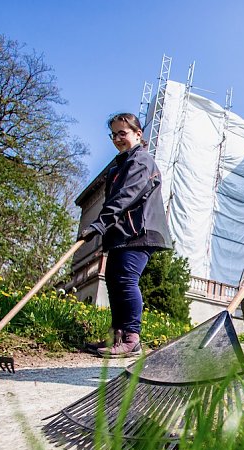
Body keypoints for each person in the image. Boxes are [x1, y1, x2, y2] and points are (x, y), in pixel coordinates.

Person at [78, 113, 172, 357]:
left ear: (138, 134)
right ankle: (116, 337)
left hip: (139, 231)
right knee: (114, 281)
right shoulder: (119, 167)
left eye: (123, 133)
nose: (118, 138)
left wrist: (100, 224)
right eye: (114, 135)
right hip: (121, 233)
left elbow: (126, 197)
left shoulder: (141, 161)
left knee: (126, 280)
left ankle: (132, 339)